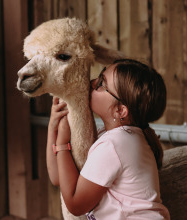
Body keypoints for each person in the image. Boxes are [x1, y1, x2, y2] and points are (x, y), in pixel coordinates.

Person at [47, 59, 170, 219]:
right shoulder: (116, 136)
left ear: (120, 110)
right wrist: (53, 127)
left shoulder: (115, 144)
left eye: (100, 84)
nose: (91, 83)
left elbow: (76, 205)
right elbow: (58, 178)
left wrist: (63, 143)